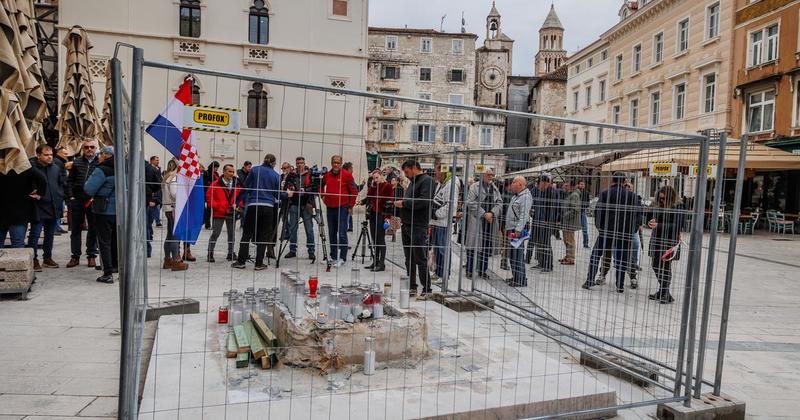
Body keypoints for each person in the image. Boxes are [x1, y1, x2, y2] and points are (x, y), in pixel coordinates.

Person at [582, 172, 642, 293]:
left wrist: (601, 228)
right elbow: (638, 215)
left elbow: (598, 213)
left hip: (606, 232)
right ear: (624, 181)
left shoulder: (605, 194)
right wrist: (632, 230)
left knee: (596, 255)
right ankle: (619, 284)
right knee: (623, 258)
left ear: (612, 180)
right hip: (624, 233)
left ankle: (590, 280)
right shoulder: (632, 196)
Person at [233, 154, 290, 270]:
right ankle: (259, 263)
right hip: (268, 207)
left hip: (253, 205)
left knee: (247, 234)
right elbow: (277, 194)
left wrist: (237, 201)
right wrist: (287, 194)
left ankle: (241, 261)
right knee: (263, 236)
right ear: (273, 163)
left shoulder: (254, 170)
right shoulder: (276, 176)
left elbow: (246, 188)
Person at [395, 160, 434, 297]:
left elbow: (423, 201)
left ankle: (427, 288)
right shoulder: (413, 182)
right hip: (407, 224)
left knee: (420, 258)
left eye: (407, 172)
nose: (406, 175)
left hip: (418, 225)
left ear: (414, 168)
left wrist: (404, 203)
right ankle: (412, 286)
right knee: (409, 258)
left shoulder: (427, 181)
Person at [27, 145, 66, 270]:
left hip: (53, 206)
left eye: (51, 155)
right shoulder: (31, 168)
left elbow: (61, 183)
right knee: (35, 234)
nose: (50, 157)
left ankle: (47, 258)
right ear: (38, 155)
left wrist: (60, 195)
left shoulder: (55, 168)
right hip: (38, 207)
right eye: (46, 155)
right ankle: (33, 260)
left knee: (50, 235)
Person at [83, 146, 117, 284]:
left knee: (104, 241)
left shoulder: (101, 169)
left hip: (104, 210)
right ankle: (116, 265)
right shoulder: (126, 168)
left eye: (100, 154)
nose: (99, 157)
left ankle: (107, 272)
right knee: (117, 240)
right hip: (122, 210)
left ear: (104, 155)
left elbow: (88, 189)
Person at [648, 186, 685, 304]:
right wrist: (650, 221)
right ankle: (664, 292)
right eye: (660, 199)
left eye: (664, 199)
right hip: (656, 239)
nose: (662, 201)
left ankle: (664, 292)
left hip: (669, 241)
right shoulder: (658, 205)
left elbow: (677, 226)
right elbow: (651, 217)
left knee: (665, 266)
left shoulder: (678, 207)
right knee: (655, 264)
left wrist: (658, 225)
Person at [66, 139, 99, 268]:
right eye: (86, 147)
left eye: (92, 147)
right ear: (83, 149)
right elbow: (70, 181)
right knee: (75, 229)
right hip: (78, 200)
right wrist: (71, 196)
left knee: (93, 228)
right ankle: (75, 256)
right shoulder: (77, 162)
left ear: (95, 149)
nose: (89, 149)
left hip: (93, 200)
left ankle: (91, 255)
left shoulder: (99, 163)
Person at [464, 169, 501, 279]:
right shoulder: (474, 187)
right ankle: (469, 270)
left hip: (490, 222)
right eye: (488, 174)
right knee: (472, 247)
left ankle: (482, 270)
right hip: (477, 221)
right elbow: (470, 203)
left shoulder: (494, 188)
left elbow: (500, 203)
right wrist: (484, 214)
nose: (491, 177)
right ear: (482, 175)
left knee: (486, 246)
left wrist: (493, 213)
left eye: (492, 175)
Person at [321, 155, 357, 267]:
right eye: (334, 162)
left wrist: (351, 206)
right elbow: (321, 186)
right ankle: (333, 256)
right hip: (330, 207)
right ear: (331, 163)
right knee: (332, 233)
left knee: (342, 233)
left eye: (338, 162)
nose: (336, 164)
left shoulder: (347, 175)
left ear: (341, 163)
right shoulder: (327, 175)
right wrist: (323, 196)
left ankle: (342, 257)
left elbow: (354, 191)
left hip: (342, 207)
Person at [0, 163, 46, 249]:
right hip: (19, 211)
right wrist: (39, 193)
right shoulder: (24, 165)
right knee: (18, 244)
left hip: (5, 210)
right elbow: (42, 179)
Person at [282, 156, 317, 260]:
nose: (299, 165)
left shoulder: (310, 174)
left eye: (301, 163)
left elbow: (315, 188)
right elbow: (285, 188)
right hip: (294, 204)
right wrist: (290, 188)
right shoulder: (291, 175)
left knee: (309, 229)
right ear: (295, 164)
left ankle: (311, 251)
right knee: (293, 228)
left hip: (307, 204)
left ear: (304, 163)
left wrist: (305, 189)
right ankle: (292, 250)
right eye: (298, 163)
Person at [429, 164, 460, 281]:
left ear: (443, 172)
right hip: (438, 223)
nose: (435, 175)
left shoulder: (451, 184)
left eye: (436, 172)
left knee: (443, 249)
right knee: (438, 249)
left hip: (443, 223)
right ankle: (439, 272)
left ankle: (444, 274)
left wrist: (436, 214)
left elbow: (451, 205)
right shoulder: (444, 184)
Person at [206, 164, 240, 262]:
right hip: (219, 212)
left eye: (233, 172)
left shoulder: (236, 184)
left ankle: (230, 253)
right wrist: (219, 207)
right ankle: (210, 252)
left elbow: (241, 196)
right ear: (224, 172)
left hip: (232, 212)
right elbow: (209, 198)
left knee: (231, 234)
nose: (232, 173)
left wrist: (238, 206)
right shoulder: (215, 184)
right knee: (216, 233)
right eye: (229, 171)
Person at [505, 176, 533, 287]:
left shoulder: (525, 197)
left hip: (518, 230)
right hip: (512, 228)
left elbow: (524, 215)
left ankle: (520, 280)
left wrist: (518, 229)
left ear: (520, 184)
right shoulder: (516, 196)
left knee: (517, 254)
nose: (511, 184)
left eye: (513, 182)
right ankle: (516, 276)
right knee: (513, 254)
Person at [363, 169, 393, 272]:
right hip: (373, 214)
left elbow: (389, 203)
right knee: (374, 239)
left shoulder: (387, 186)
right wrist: (372, 185)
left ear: (381, 176)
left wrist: (387, 219)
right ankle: (375, 261)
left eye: (377, 177)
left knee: (381, 239)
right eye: (373, 178)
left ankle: (381, 263)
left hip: (382, 214)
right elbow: (369, 196)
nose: (375, 180)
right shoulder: (375, 186)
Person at [160, 160, 188, 271]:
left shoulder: (167, 177)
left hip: (169, 208)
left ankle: (168, 259)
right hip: (174, 208)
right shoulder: (175, 178)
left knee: (170, 235)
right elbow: (175, 193)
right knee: (175, 235)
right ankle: (176, 260)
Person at [531, 174, 561, 273]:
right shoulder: (542, 191)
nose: (539, 187)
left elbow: (553, 208)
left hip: (547, 222)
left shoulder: (552, 192)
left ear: (545, 183)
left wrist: (547, 220)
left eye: (540, 184)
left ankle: (548, 265)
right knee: (539, 242)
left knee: (546, 243)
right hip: (539, 220)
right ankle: (541, 262)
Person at [559, 179, 581, 266]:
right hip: (567, 221)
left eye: (566, 185)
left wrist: (565, 215)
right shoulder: (570, 194)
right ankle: (568, 256)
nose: (565, 187)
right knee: (566, 240)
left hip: (570, 222)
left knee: (570, 240)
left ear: (571, 186)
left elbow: (575, 209)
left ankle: (571, 258)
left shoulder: (574, 195)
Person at [145, 156, 162, 258]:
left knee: (147, 223)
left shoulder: (155, 169)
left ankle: (147, 248)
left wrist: (154, 199)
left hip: (150, 199)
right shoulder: (151, 169)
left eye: (158, 160)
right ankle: (147, 248)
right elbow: (157, 185)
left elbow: (157, 185)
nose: (157, 161)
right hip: (148, 199)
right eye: (156, 160)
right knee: (146, 224)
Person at [203, 161, 220, 230]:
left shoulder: (216, 174)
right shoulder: (206, 173)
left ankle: (215, 225)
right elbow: (204, 183)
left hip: (215, 194)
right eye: (215, 167)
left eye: (217, 168)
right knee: (208, 211)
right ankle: (207, 225)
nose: (216, 169)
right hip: (208, 193)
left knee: (215, 211)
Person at [576, 180, 590, 248]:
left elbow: (588, 203)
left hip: (582, 212)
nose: (582, 185)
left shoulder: (586, 193)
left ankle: (586, 243)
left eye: (583, 184)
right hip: (575, 212)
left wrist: (582, 206)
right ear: (578, 185)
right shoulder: (575, 192)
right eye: (581, 184)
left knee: (585, 228)